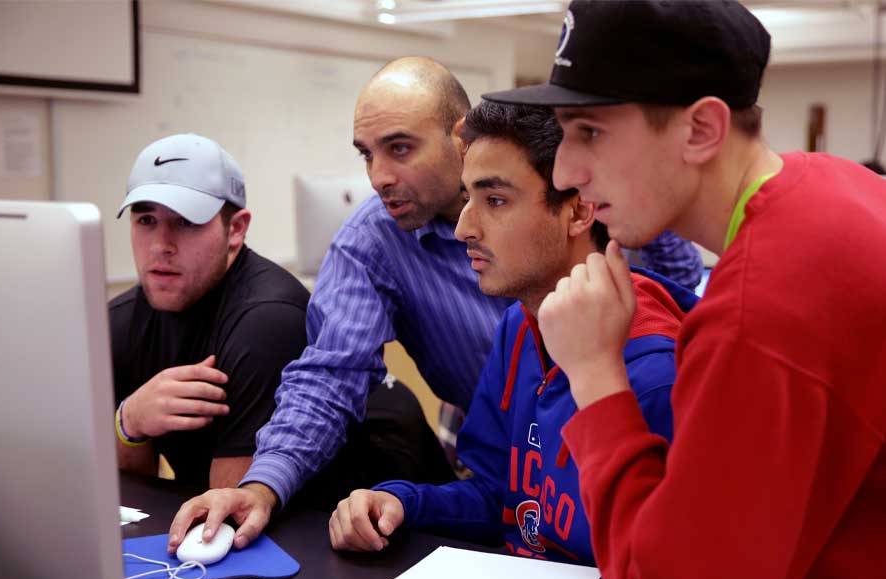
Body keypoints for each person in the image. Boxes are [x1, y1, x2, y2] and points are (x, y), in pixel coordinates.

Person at [166, 57, 702, 554]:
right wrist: (280, 485)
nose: (377, 177)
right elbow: (332, 377)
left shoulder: (651, 369)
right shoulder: (512, 322)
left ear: (458, 136)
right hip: (514, 445)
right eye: (366, 154)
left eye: (399, 148)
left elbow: (661, 562)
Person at [484, 1, 886, 579]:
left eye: (590, 131)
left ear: (701, 130)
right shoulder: (830, 183)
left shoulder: (757, 316)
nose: (566, 171)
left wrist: (594, 372)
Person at [328, 101, 697, 566]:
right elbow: (502, 496)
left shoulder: (657, 374)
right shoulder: (521, 324)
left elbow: (673, 571)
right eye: (467, 199)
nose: (464, 228)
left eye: (495, 201)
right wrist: (404, 503)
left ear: (579, 211)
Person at [111, 133, 310, 489]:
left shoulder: (268, 320)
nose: (161, 245)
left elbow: (231, 510)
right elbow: (128, 498)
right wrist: (130, 423)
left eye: (186, 222)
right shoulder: (119, 322)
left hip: (384, 518)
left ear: (235, 230)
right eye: (146, 221)